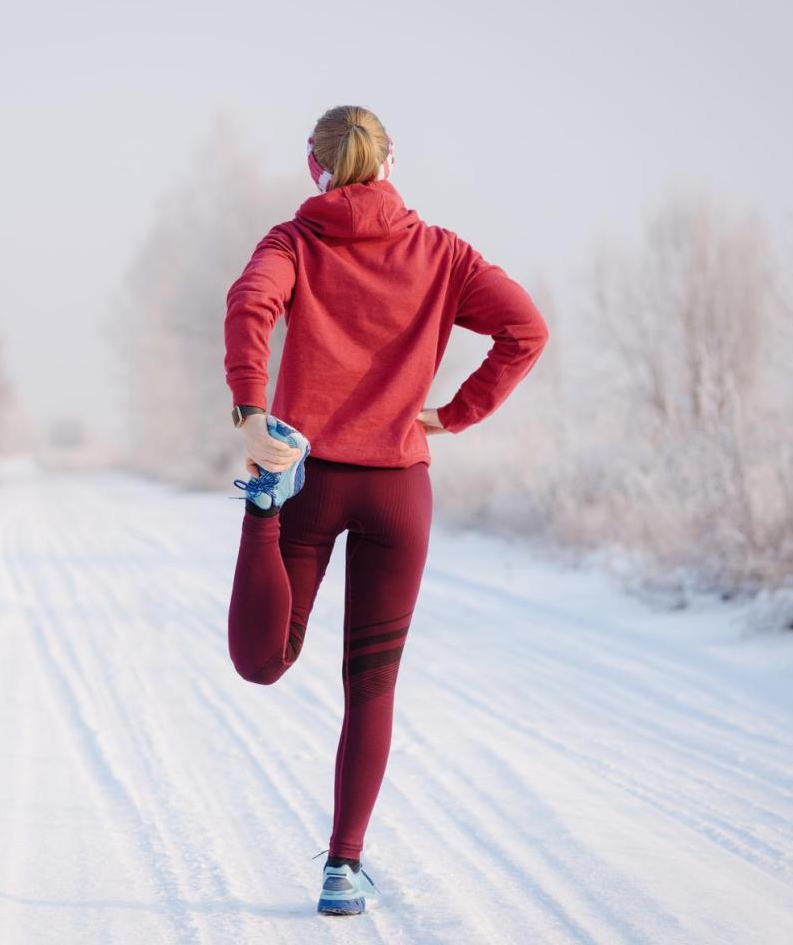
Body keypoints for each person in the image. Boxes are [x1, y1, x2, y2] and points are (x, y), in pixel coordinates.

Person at [222, 104, 549, 916]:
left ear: (314, 167)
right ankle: (343, 866)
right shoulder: (443, 253)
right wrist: (456, 412)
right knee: (372, 686)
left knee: (264, 662)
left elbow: (250, 304)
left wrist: (252, 411)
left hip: (310, 478)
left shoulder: (292, 243)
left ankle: (261, 508)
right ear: (392, 162)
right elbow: (527, 329)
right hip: (400, 488)